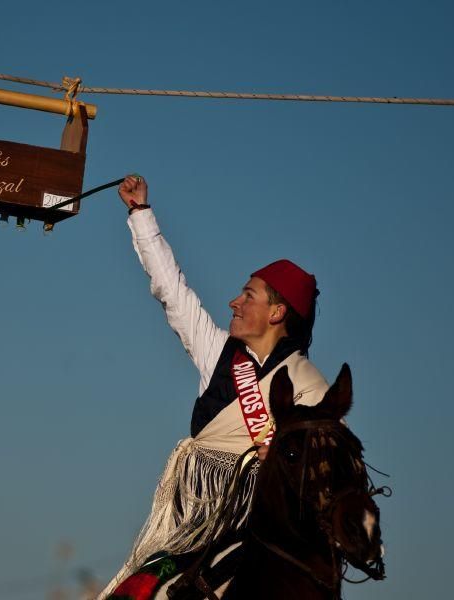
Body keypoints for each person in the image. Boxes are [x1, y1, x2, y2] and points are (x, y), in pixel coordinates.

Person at [99, 175, 330, 598]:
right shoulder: (218, 351)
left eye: (248, 295)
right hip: (194, 527)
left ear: (278, 312)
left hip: (260, 528)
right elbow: (172, 290)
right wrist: (140, 214)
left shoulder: (309, 388)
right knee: (142, 587)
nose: (233, 303)